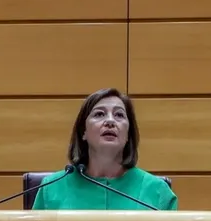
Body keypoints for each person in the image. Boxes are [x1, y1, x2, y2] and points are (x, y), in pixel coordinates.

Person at [32, 88, 178, 211]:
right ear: (84, 131)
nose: (110, 121)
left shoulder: (158, 192)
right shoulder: (51, 189)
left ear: (128, 134)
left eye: (119, 115)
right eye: (99, 114)